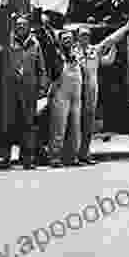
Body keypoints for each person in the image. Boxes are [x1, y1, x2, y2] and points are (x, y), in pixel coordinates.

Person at [76, 20, 129, 165]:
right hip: (75, 92)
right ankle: (73, 154)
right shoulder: (72, 51)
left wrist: (126, 28)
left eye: (87, 36)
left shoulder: (94, 51)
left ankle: (85, 153)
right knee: (74, 124)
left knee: (88, 124)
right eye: (82, 36)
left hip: (90, 92)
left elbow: (109, 44)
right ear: (78, 37)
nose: (84, 38)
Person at [0, 14, 47, 169]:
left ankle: (28, 159)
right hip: (10, 89)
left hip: (28, 90)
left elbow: (41, 68)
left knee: (28, 124)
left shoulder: (35, 44)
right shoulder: (8, 42)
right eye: (18, 25)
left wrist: (42, 87)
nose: (20, 27)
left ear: (28, 27)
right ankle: (5, 158)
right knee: (7, 123)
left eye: (23, 25)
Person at [47, 30, 83, 167]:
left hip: (76, 95)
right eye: (64, 39)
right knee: (59, 126)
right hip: (60, 93)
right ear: (60, 41)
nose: (67, 40)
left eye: (69, 38)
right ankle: (55, 157)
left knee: (75, 127)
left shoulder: (78, 55)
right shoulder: (56, 55)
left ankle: (73, 157)